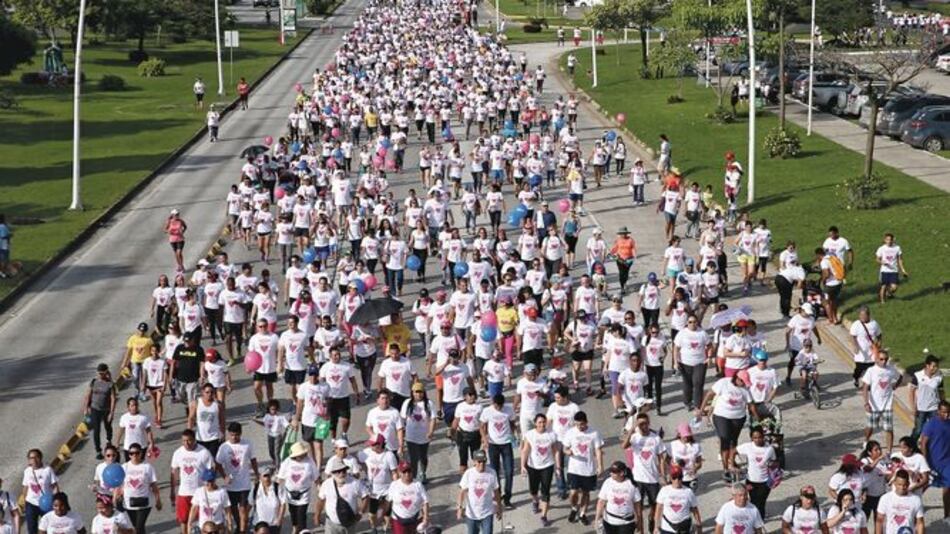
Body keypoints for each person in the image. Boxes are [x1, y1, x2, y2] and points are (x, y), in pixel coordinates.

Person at [701, 373, 755, 481]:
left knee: (733, 441)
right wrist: (701, 408)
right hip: (721, 416)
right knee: (725, 438)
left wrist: (757, 418)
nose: (744, 384)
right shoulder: (723, 383)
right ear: (737, 378)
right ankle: (725, 468)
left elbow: (750, 404)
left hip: (738, 417)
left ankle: (732, 463)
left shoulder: (745, 389)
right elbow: (710, 394)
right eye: (742, 382)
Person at [620, 412, 666, 533]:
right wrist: (632, 429)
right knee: (638, 509)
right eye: (640, 424)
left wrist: (662, 475)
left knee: (654, 506)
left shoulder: (655, 438)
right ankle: (641, 531)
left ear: (649, 423)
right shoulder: (634, 437)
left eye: (645, 423)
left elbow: (661, 457)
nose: (643, 426)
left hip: (653, 478)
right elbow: (624, 446)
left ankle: (651, 521)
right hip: (638, 478)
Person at [216, 422, 259, 534]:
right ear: (228, 434)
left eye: (237, 435)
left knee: (243, 509)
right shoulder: (224, 447)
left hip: (244, 483)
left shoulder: (247, 444)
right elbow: (218, 463)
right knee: (234, 509)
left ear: (241, 433)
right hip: (231, 485)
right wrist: (224, 476)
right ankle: (240, 526)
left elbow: (253, 459)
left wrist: (257, 474)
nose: (234, 437)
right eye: (232, 435)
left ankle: (242, 530)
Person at [170, 430, 214, 534]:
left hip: (200, 492)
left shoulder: (203, 452)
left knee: (203, 520)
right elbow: (173, 471)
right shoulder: (178, 453)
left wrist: (210, 488)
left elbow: (211, 469)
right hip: (184, 492)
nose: (186, 443)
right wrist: (172, 490)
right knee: (183, 519)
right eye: (184, 441)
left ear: (194, 440)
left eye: (189, 440)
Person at [564, 411, 604, 525]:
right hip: (574, 468)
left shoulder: (594, 433)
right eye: (577, 424)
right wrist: (568, 451)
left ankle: (582, 514)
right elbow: (565, 448)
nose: (579, 427)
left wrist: (600, 466)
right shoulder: (570, 433)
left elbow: (598, 450)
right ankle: (574, 508)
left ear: (586, 422)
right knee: (573, 492)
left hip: (588, 469)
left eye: (581, 424)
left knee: (586, 493)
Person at [520, 413, 559, 527]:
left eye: (543, 422)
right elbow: (525, 450)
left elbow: (555, 450)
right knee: (533, 490)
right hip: (533, 466)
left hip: (547, 465)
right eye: (539, 422)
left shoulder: (551, 435)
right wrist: (523, 465)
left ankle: (544, 516)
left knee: (545, 491)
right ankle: (535, 501)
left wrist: (558, 466)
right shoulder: (530, 435)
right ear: (535, 424)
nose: (542, 424)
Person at [479, 393, 517, 509]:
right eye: (497, 406)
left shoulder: (509, 409)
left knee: (509, 471)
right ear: (493, 403)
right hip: (493, 444)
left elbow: (512, 422)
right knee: (495, 472)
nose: (499, 408)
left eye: (501, 406)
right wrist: (484, 438)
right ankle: (498, 494)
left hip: (506, 443)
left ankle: (507, 497)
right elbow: (482, 425)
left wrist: (515, 434)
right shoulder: (487, 411)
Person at [861, 349, 902, 453]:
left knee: (889, 429)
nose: (884, 361)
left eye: (886, 359)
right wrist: (866, 403)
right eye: (881, 359)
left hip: (887, 404)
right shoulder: (871, 371)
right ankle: (866, 440)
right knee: (870, 427)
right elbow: (865, 387)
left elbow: (900, 377)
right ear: (876, 359)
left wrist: (895, 386)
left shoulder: (891, 370)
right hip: (874, 405)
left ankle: (889, 451)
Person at [316, 456, 368, 533]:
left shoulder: (355, 483)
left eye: (344, 471)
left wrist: (361, 512)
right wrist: (317, 515)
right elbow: (320, 500)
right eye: (338, 471)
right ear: (332, 473)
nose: (342, 473)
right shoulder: (326, 484)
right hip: (331, 524)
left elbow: (365, 496)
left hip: (350, 523)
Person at [275, 442, 317, 534]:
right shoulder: (287, 462)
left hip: (304, 494)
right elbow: (280, 478)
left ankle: (302, 530)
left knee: (301, 515)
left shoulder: (309, 461)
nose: (302, 456)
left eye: (303, 454)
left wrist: (320, 487)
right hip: (290, 494)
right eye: (300, 454)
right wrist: (274, 491)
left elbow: (316, 477)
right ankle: (295, 527)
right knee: (293, 513)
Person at [120, 442, 162, 534]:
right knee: (137, 527)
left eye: (137, 453)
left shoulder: (147, 467)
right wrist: (116, 496)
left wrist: (158, 500)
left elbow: (154, 485)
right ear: (129, 455)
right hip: (129, 503)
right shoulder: (124, 467)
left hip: (145, 502)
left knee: (139, 526)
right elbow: (119, 484)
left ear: (141, 453)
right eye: (131, 453)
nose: (134, 455)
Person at [457, 450, 502, 534]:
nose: (482, 464)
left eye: (484, 461)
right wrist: (460, 507)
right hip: (472, 514)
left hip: (487, 512)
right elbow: (462, 492)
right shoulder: (468, 473)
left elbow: (496, 491)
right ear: (474, 462)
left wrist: (499, 507)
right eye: (479, 461)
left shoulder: (492, 473)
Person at [399, 382, 436, 483]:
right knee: (413, 458)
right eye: (416, 392)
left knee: (423, 457)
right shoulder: (407, 403)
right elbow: (402, 419)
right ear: (412, 392)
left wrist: (431, 431)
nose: (418, 394)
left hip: (424, 436)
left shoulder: (428, 404)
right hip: (411, 437)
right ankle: (413, 478)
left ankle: (423, 472)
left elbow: (433, 418)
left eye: (420, 392)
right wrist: (401, 432)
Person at [920, 401, 950, 525]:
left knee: (948, 488)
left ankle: (947, 515)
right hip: (932, 462)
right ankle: (909, 502)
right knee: (923, 485)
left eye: (949, 412)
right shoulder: (931, 424)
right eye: (944, 412)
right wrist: (925, 462)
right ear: (938, 411)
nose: (947, 415)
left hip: (947, 462)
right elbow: (923, 443)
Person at [594, 461, 642, 534]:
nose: (611, 474)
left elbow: (637, 505)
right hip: (609, 522)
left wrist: (639, 521)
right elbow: (601, 501)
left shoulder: (631, 485)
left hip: (626, 523)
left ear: (621, 473)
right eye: (611, 471)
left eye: (614, 472)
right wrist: (597, 519)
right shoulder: (608, 482)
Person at [21, 449, 60, 534]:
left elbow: (55, 486)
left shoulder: (48, 470)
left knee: (49, 527)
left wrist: (56, 501)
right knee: (32, 528)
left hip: (46, 503)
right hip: (31, 503)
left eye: (36, 457)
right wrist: (25, 502)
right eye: (31, 458)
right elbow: (25, 487)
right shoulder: (27, 471)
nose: (34, 460)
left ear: (41, 458)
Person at [85, 363, 118, 460]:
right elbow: (88, 395)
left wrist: (111, 413)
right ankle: (98, 450)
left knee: (108, 426)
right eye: (99, 373)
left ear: (106, 373)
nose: (100, 375)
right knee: (96, 430)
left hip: (106, 409)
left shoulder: (110, 384)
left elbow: (113, 398)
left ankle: (109, 440)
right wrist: (86, 407)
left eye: (102, 373)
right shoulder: (94, 382)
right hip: (95, 409)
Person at [655, 464, 700, 534]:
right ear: (670, 478)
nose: (677, 480)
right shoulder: (664, 491)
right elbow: (658, 509)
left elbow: (695, 510)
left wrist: (699, 525)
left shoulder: (688, 492)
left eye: (679, 477)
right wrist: (656, 526)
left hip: (684, 527)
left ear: (682, 478)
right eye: (674, 477)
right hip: (667, 528)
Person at [875, 470, 924, 534]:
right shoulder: (885, 498)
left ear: (908, 484)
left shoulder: (916, 500)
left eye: (904, 485)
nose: (902, 487)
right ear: (894, 483)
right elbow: (879, 520)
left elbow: (920, 523)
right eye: (899, 484)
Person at [910, 353, 943, 441]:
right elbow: (911, 392)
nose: (935, 368)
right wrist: (913, 407)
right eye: (933, 366)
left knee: (934, 430)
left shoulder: (939, 376)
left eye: (937, 366)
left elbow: (941, 391)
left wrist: (942, 406)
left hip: (934, 408)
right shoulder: (917, 375)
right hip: (921, 408)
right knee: (918, 430)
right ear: (927, 365)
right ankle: (911, 445)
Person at [850, 306, 882, 388]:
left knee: (870, 369)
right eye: (860, 315)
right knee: (859, 368)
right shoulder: (856, 324)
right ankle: (856, 377)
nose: (862, 317)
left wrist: (879, 344)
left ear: (868, 315)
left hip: (871, 352)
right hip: (860, 352)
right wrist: (855, 346)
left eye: (864, 315)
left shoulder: (874, 324)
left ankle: (868, 384)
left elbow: (879, 335)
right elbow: (853, 336)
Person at [121, 322, 154, 403]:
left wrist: (152, 361)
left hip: (145, 361)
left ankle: (142, 393)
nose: (141, 332)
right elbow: (128, 351)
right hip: (135, 361)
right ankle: (137, 392)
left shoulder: (148, 339)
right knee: (135, 378)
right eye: (140, 330)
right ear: (138, 329)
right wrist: (124, 363)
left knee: (144, 379)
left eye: (143, 331)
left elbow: (152, 351)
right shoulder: (132, 338)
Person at [875, 233, 908, 303]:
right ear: (884, 240)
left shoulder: (897, 248)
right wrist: (882, 262)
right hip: (884, 270)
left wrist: (903, 270)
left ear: (893, 240)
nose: (889, 241)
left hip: (894, 270)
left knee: (894, 287)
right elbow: (877, 259)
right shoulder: (881, 248)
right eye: (887, 240)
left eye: (890, 240)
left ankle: (888, 293)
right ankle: (882, 302)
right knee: (883, 286)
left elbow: (900, 259)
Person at [250, 467, 283, 534]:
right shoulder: (255, 488)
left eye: (269, 475)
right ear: (260, 477)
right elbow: (250, 504)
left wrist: (280, 518)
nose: (267, 478)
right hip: (258, 524)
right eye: (265, 476)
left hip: (273, 524)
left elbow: (283, 504)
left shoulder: (277, 487)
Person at [609, 227, 636, 295]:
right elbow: (615, 248)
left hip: (629, 259)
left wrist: (634, 256)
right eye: (621, 234)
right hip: (620, 259)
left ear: (626, 233)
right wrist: (611, 253)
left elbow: (633, 248)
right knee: (621, 273)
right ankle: (622, 287)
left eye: (624, 233)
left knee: (626, 273)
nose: (623, 235)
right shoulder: (618, 240)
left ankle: (625, 282)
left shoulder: (630, 240)